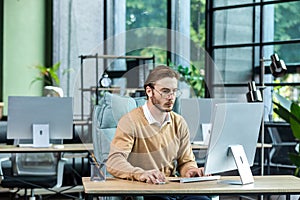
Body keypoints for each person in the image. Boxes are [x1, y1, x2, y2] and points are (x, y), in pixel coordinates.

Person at [106, 65, 210, 200]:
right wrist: (140, 174)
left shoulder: (179, 122)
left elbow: (186, 161)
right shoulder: (130, 121)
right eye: (165, 91)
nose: (171, 97)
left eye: (174, 92)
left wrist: (190, 171)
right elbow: (114, 161)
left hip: (174, 188)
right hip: (147, 190)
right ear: (149, 91)